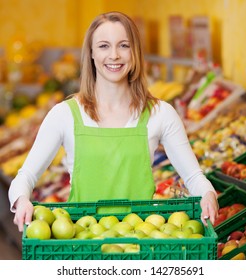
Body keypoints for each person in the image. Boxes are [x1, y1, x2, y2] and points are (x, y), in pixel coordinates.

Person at [8, 11, 218, 232]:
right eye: (104, 46)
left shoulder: (161, 114)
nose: (114, 55)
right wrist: (22, 200)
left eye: (124, 45)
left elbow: (193, 176)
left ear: (135, 51)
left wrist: (208, 194)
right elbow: (25, 177)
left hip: (141, 242)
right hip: (82, 242)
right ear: (90, 52)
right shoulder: (64, 115)